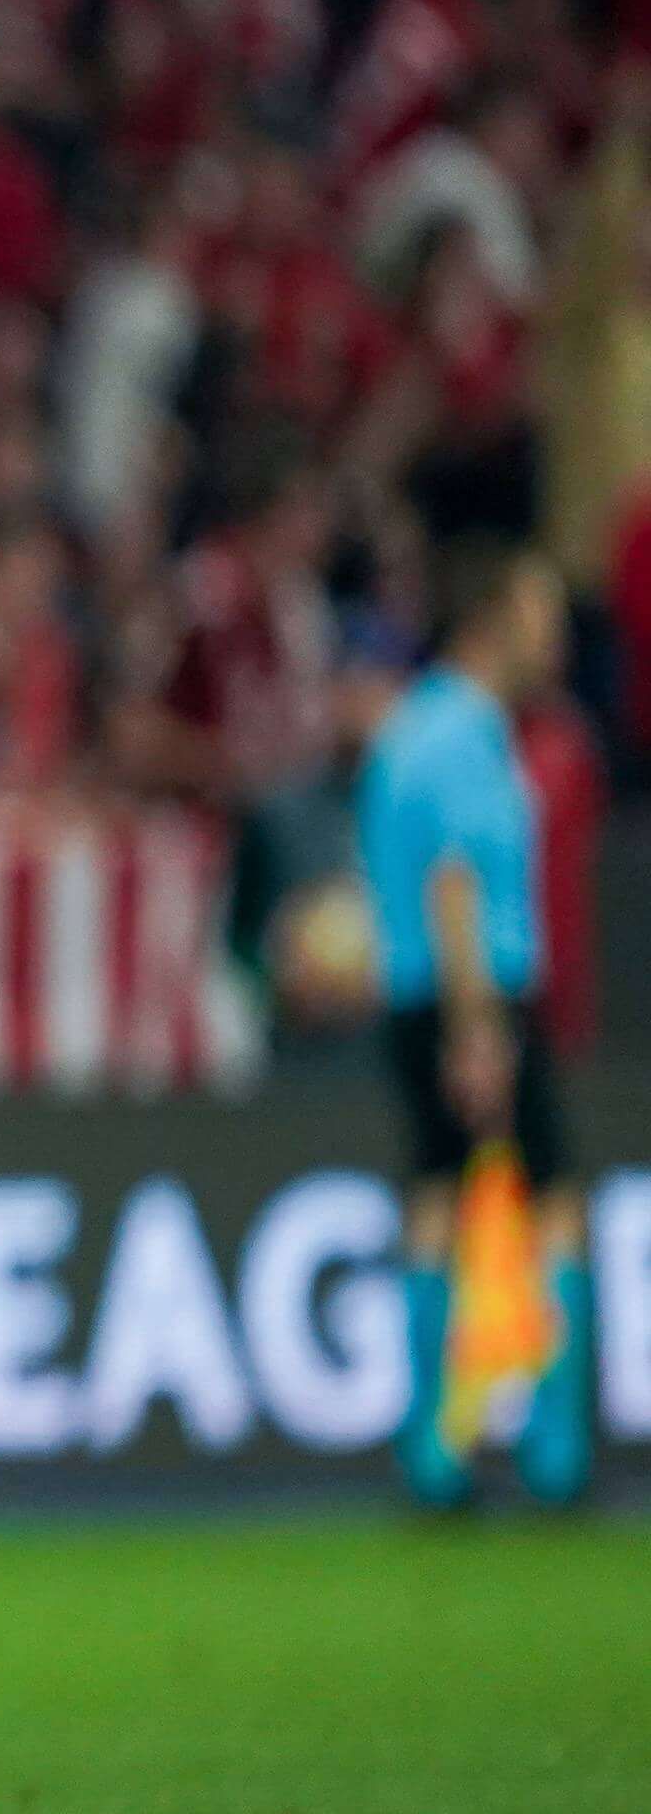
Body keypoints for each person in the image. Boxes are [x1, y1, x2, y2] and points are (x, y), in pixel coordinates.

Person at [356, 541, 594, 1511]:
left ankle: (436, 1450)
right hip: (474, 993)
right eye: (542, 614)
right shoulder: (461, 734)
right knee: (551, 1205)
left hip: (419, 995)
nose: (559, 636)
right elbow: (454, 886)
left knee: (436, 1201)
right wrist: (480, 1030)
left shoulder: (420, 729)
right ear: (492, 619)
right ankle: (552, 1447)